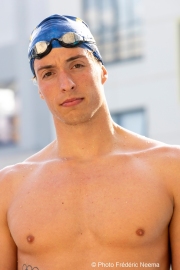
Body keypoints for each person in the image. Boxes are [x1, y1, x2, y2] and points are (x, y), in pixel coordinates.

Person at [0, 14, 179, 270]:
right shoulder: (8, 188)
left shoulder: (171, 170)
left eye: (77, 65)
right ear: (39, 88)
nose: (67, 84)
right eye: (48, 73)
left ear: (102, 71)